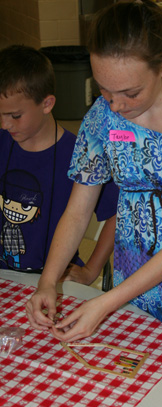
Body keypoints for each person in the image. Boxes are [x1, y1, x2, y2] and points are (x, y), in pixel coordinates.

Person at [25, 0, 162, 353]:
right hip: (134, 259)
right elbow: (78, 211)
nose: (116, 106)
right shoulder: (102, 116)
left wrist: (106, 302)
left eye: (130, 92)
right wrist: (48, 282)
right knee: (139, 358)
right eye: (104, 90)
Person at [0, 44, 118, 275]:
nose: (5, 124)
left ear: (47, 104)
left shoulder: (81, 154)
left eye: (15, 116)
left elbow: (117, 214)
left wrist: (92, 270)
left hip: (56, 276)